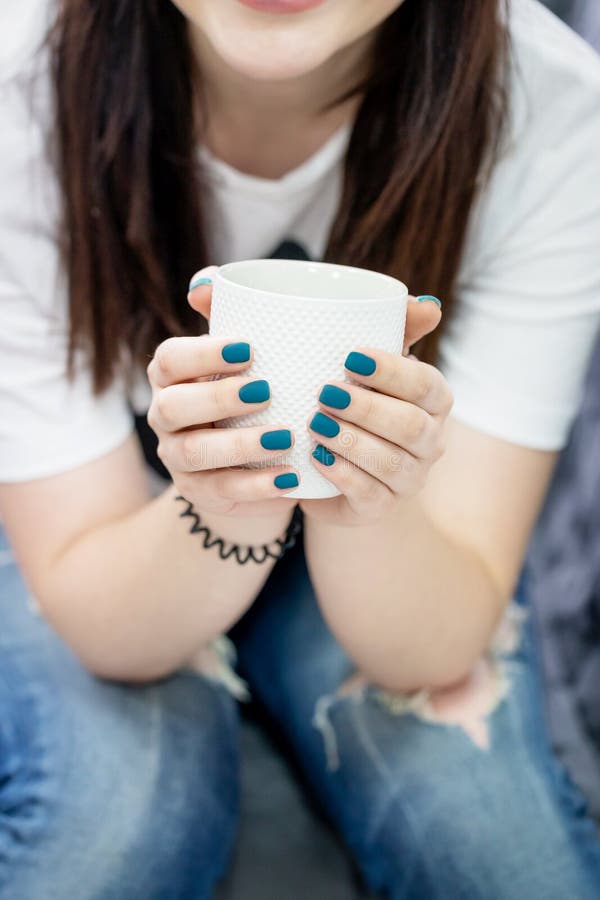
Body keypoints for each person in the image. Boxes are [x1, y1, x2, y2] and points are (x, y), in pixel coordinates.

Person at [1, 0, 600, 897]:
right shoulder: (25, 82)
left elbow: (433, 641)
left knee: (499, 852)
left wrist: (370, 496)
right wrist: (219, 495)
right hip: (109, 521)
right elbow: (104, 620)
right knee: (118, 830)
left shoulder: (551, 113)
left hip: (398, 542)